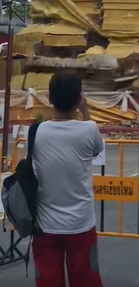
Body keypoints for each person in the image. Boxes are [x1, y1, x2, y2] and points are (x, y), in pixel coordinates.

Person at [31, 73, 104, 287]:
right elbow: (97, 150)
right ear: (78, 98)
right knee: (86, 279)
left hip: (45, 224)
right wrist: (85, 111)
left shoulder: (36, 132)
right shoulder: (89, 129)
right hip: (80, 223)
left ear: (50, 99)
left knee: (48, 281)